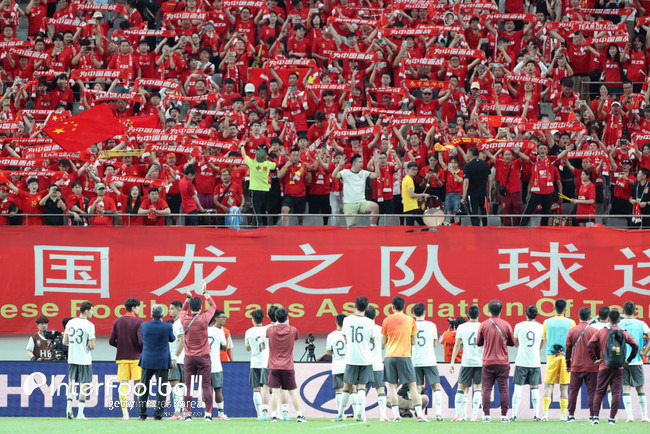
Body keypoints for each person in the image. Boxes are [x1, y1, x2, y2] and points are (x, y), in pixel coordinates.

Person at [588, 309, 639, 425]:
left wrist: (595, 358)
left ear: (608, 319)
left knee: (599, 391)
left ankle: (595, 417)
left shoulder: (602, 332)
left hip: (604, 365)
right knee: (616, 392)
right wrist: (628, 360)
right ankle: (612, 418)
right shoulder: (623, 332)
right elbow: (635, 345)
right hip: (619, 367)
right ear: (619, 320)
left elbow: (590, 344)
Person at [381, 296, 427, 422]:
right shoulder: (410, 320)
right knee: (412, 385)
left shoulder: (386, 320)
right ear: (404, 306)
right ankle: (419, 415)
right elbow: (413, 341)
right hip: (405, 356)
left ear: (392, 307)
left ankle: (396, 415)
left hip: (390, 356)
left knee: (392, 387)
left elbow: (382, 342)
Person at [335, 296, 376, 422]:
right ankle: (359, 414)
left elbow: (345, 337)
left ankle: (340, 414)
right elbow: (372, 339)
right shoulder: (370, 322)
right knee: (362, 387)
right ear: (367, 307)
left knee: (347, 387)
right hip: (365, 358)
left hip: (351, 358)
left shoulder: (347, 320)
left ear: (355, 305)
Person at [180, 280, 217, 422]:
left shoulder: (183, 319)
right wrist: (205, 292)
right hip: (204, 357)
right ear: (201, 307)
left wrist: (187, 298)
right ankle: (208, 415)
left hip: (189, 357)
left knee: (188, 386)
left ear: (191, 307)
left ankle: (188, 415)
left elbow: (183, 310)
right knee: (206, 385)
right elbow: (213, 306)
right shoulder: (204, 318)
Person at [265, 307, 308, 423]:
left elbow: (268, 336)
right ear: (287, 317)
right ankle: (299, 416)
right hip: (288, 366)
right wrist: (287, 324)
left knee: (275, 392)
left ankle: (273, 416)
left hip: (274, 366)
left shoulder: (270, 330)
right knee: (292, 391)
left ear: (275, 317)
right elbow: (296, 338)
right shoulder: (293, 330)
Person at [477, 299, 514, 423]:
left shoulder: (483, 324)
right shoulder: (506, 324)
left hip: (487, 362)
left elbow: (478, 343)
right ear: (501, 310)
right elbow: (512, 343)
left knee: (486, 389)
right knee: (504, 388)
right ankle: (504, 415)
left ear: (488, 310)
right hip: (503, 362)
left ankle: (486, 415)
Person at [137, 305, 175, 421]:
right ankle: (158, 415)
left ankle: (142, 414)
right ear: (162, 315)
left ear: (151, 314)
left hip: (147, 359)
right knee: (161, 388)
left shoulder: (144, 325)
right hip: (162, 360)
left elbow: (142, 338)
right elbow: (172, 339)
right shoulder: (167, 326)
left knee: (144, 387)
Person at [108, 297, 143, 420]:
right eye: (138, 307)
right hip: (137, 358)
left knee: (123, 384)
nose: (139, 309)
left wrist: (122, 346)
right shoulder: (139, 322)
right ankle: (141, 413)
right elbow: (141, 341)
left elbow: (111, 341)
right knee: (139, 385)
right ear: (133, 308)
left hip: (122, 358)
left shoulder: (117, 322)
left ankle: (125, 413)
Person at [541, 298, 575, 421]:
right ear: (565, 309)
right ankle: (563, 415)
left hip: (551, 357)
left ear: (554, 308)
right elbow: (573, 340)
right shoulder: (571, 322)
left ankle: (545, 414)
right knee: (564, 387)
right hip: (566, 358)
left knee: (548, 386)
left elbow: (545, 337)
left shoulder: (546, 322)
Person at [565, 307, 599, 423]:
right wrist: (597, 362)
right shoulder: (594, 331)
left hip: (576, 366)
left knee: (573, 391)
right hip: (592, 367)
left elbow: (568, 349)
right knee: (592, 391)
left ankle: (571, 415)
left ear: (579, 316)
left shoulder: (572, 331)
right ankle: (593, 416)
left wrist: (568, 364)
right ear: (590, 317)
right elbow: (598, 349)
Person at [511, 306, 544, 422]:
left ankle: (514, 415)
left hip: (521, 361)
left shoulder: (519, 326)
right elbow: (541, 345)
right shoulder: (541, 327)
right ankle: (536, 415)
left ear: (526, 314)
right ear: (536, 315)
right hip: (535, 362)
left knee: (518, 389)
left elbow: (515, 344)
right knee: (535, 389)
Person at [450, 305, 483, 422]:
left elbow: (457, 345)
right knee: (478, 388)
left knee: (461, 388)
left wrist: (452, 362)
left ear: (467, 315)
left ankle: (459, 415)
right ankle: (474, 416)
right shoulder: (482, 326)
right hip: (480, 361)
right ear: (478, 315)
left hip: (466, 361)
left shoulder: (462, 327)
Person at [63, 301, 95, 420]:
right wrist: (87, 345)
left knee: (71, 382)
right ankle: (80, 413)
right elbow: (92, 345)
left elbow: (64, 341)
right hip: (84, 358)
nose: (92, 313)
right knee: (84, 384)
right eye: (91, 310)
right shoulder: (89, 325)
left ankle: (68, 408)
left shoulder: (70, 322)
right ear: (86, 311)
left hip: (72, 357)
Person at [619, 301, 650, 422]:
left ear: (623, 310)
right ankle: (644, 416)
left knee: (625, 388)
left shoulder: (618, 324)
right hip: (637, 360)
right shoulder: (641, 324)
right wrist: (645, 353)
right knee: (640, 388)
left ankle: (629, 417)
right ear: (635, 310)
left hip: (622, 361)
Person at [412, 302, 443, 421]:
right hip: (429, 359)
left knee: (417, 388)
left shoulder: (411, 325)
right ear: (425, 312)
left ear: (413, 312)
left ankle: (419, 414)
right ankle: (439, 413)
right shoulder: (431, 325)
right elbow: (435, 343)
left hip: (415, 360)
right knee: (436, 386)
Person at [333, 153, 380, 227]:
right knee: (351, 227)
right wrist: (339, 166)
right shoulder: (345, 172)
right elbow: (334, 175)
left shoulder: (364, 173)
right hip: (349, 203)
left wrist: (376, 163)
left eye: (362, 162)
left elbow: (376, 175)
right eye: (360, 162)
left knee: (375, 207)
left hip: (362, 202)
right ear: (354, 163)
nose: (362, 164)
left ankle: (373, 227)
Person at [239, 143, 276, 227]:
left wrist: (242, 146)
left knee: (257, 210)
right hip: (266, 190)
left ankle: (259, 226)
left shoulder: (252, 164)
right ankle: (265, 226)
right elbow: (276, 163)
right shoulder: (268, 164)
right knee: (263, 210)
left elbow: (244, 155)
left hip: (256, 191)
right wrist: (268, 155)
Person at [364, 306, 388, 421]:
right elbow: (383, 345)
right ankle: (383, 415)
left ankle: (361, 415)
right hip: (377, 363)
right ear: (375, 316)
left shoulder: (362, 328)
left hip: (364, 364)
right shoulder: (380, 329)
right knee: (380, 389)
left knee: (361, 389)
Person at [245, 309, 267, 419]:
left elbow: (247, 348)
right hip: (266, 363)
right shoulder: (267, 330)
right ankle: (270, 414)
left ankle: (259, 414)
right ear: (263, 319)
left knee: (256, 388)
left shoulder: (248, 332)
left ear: (253, 320)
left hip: (255, 363)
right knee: (270, 389)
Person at [461, 147, 492, 226]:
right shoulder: (485, 164)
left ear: (470, 154)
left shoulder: (468, 166)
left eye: (467, 153)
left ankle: (476, 230)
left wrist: (464, 197)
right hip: (483, 194)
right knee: (484, 212)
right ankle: (485, 229)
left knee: (474, 214)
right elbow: (490, 179)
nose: (466, 155)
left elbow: (466, 182)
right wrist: (489, 194)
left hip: (472, 195)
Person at [208, 311, 229, 420]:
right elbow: (225, 347)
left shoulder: (203, 331)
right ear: (215, 318)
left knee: (206, 390)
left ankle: (207, 414)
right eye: (223, 317)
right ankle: (220, 413)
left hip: (204, 365)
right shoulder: (219, 332)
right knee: (218, 390)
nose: (225, 319)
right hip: (216, 365)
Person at [325, 313, 347, 418]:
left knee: (339, 391)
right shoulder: (349, 334)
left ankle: (340, 414)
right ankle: (357, 414)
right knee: (353, 390)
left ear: (336, 322)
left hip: (337, 365)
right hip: (350, 366)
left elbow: (328, 352)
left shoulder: (331, 335)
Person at [167, 300, 185, 420]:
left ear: (179, 310)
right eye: (169, 308)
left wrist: (175, 357)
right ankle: (181, 413)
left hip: (177, 359)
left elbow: (182, 340)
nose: (170, 311)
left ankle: (178, 413)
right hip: (182, 359)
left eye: (172, 308)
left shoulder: (178, 323)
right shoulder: (180, 323)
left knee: (175, 385)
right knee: (180, 387)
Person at [401, 162, 430, 226]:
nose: (415, 171)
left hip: (407, 208)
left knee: (409, 228)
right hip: (412, 208)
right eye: (413, 169)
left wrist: (417, 198)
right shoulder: (409, 180)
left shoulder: (405, 179)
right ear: (408, 169)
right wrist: (423, 194)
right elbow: (411, 194)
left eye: (416, 169)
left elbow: (407, 195)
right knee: (424, 226)